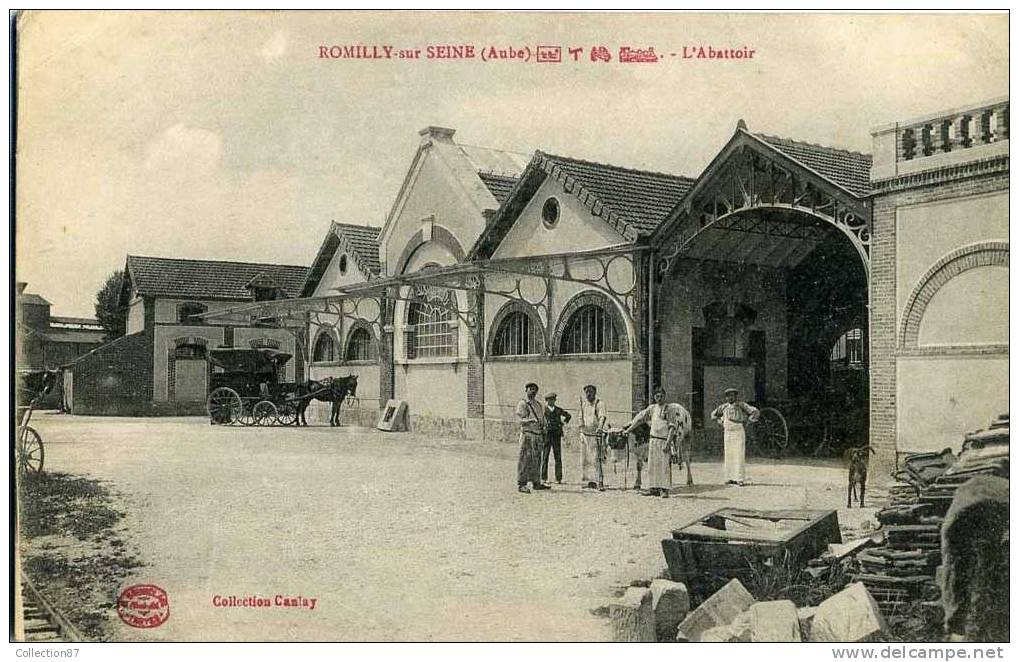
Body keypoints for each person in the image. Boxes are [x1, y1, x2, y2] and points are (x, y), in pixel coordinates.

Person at [622, 386, 691, 498]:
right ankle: (653, 488)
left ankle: (664, 489)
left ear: (664, 396)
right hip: (653, 440)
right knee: (652, 465)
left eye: (661, 396)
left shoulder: (669, 409)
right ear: (654, 397)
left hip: (664, 441)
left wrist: (668, 443)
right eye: (657, 396)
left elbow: (672, 428)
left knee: (663, 465)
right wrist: (628, 430)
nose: (659, 398)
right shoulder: (652, 408)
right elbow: (640, 419)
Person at [710, 387, 759, 486]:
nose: (730, 398)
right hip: (727, 433)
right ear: (726, 398)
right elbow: (713, 414)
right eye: (728, 396)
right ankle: (729, 478)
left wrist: (749, 421)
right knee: (729, 454)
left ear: (735, 396)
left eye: (732, 395)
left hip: (738, 432)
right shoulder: (723, 407)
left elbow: (755, 411)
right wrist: (720, 421)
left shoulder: (741, 405)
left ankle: (739, 478)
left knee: (739, 455)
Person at [515, 382, 549, 493]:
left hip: (538, 435)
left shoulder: (538, 404)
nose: (533, 391)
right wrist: (529, 421)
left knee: (537, 459)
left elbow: (542, 418)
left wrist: (545, 426)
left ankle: (536, 482)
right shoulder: (523, 403)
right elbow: (520, 420)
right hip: (527, 435)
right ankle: (522, 484)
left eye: (535, 389)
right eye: (530, 389)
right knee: (525, 459)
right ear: (526, 390)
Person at [578, 384, 607, 491]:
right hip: (584, 435)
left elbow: (602, 417)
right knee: (585, 459)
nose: (588, 394)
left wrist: (600, 427)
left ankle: (599, 481)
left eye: (590, 392)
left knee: (596, 459)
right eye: (586, 392)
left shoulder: (600, 403)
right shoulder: (584, 404)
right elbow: (580, 416)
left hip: (595, 435)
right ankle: (589, 481)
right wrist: (580, 425)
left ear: (595, 392)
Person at [541, 392, 571, 484]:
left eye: (553, 399)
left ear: (555, 400)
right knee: (545, 456)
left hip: (556, 435)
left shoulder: (558, 410)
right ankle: (543, 478)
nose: (551, 401)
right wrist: (543, 428)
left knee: (558, 457)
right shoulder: (543, 410)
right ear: (546, 401)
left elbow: (568, 416)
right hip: (547, 435)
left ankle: (558, 478)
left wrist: (563, 423)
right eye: (549, 400)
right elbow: (540, 420)